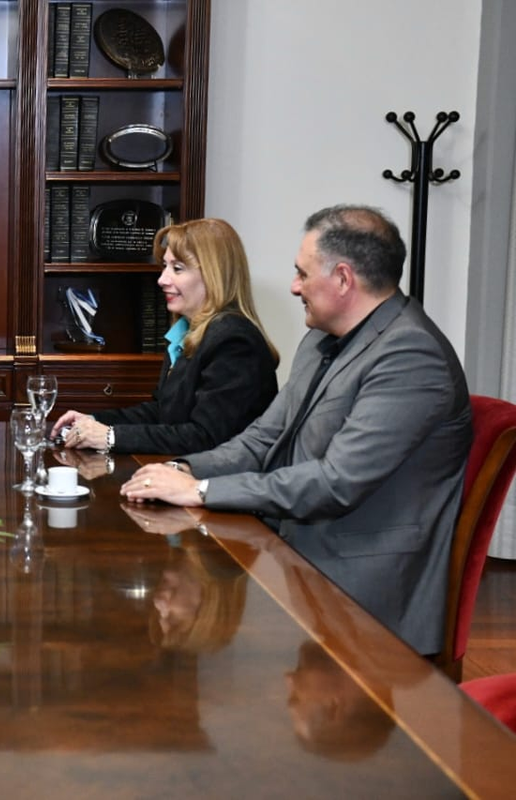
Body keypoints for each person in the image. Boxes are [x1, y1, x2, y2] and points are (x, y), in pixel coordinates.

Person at [121, 205, 472, 656]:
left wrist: (201, 490)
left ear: (344, 279)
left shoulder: (410, 355)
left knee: (202, 641)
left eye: (302, 274)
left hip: (360, 588)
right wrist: (178, 468)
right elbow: (263, 438)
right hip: (292, 551)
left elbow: (336, 482)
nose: (293, 287)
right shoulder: (322, 338)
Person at [52, 218, 278, 454]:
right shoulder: (189, 332)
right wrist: (95, 420)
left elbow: (205, 437)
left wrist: (110, 436)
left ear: (214, 275)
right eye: (164, 266)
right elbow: (162, 412)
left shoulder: (234, 341)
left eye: (177, 269)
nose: (162, 280)